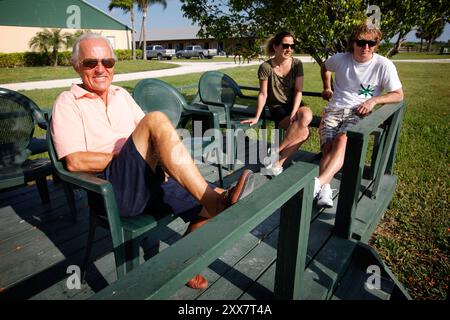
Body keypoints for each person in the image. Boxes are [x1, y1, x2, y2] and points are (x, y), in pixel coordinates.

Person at [51, 33, 256, 290]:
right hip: (112, 189)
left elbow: (151, 139)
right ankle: (213, 200)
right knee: (157, 119)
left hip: (148, 178)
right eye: (91, 62)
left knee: (220, 200)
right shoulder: (67, 102)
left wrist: (158, 159)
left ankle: (183, 263)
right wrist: (132, 156)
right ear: (76, 65)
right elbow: (74, 161)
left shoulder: (121, 96)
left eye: (108, 62)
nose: (101, 68)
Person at [315, 21, 403, 207]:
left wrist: (373, 100)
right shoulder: (340, 59)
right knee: (328, 147)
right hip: (334, 109)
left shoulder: (384, 65)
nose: (366, 47)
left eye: (371, 43)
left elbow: (398, 94)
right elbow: (325, 67)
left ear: (376, 45)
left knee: (342, 140)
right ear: (352, 42)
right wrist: (326, 87)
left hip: (358, 111)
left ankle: (317, 184)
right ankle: (325, 189)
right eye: (361, 42)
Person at [241, 31, 312, 176]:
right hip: (277, 107)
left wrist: (293, 112)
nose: (289, 49)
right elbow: (263, 94)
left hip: (296, 104)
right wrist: (256, 116)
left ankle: (275, 151)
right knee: (304, 132)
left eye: (292, 46)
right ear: (275, 46)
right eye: (285, 45)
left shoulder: (297, 64)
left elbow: (299, 91)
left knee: (306, 116)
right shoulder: (266, 67)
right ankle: (277, 164)